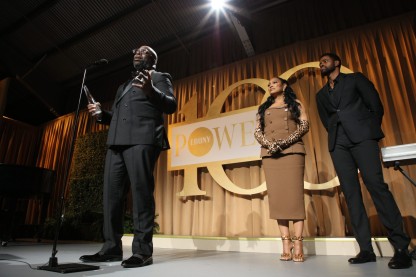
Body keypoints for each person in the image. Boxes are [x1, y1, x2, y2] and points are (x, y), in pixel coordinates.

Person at [79, 45, 177, 268]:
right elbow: (119, 117)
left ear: (154, 58)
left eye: (144, 51)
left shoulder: (160, 77)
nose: (137, 53)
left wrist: (151, 90)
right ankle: (111, 248)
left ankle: (143, 251)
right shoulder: (123, 86)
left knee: (141, 194)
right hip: (116, 143)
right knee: (111, 197)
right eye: (135, 52)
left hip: (143, 140)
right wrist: (102, 115)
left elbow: (171, 105)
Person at [316, 53, 412, 269]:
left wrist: (367, 129)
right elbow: (326, 120)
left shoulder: (355, 79)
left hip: (363, 138)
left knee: (376, 186)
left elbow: (375, 105)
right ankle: (365, 250)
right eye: (320, 62)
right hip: (338, 145)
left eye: (325, 60)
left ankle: (400, 248)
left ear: (337, 62)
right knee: (351, 194)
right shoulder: (320, 94)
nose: (321, 64)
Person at [254, 77, 310, 262]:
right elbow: (257, 131)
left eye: (274, 83)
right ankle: (286, 243)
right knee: (278, 199)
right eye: (269, 84)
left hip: (292, 152)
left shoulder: (296, 103)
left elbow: (304, 125)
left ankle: (299, 241)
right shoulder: (263, 109)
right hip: (271, 155)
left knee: (294, 198)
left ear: (284, 85)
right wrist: (270, 145)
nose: (270, 85)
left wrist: (283, 143)